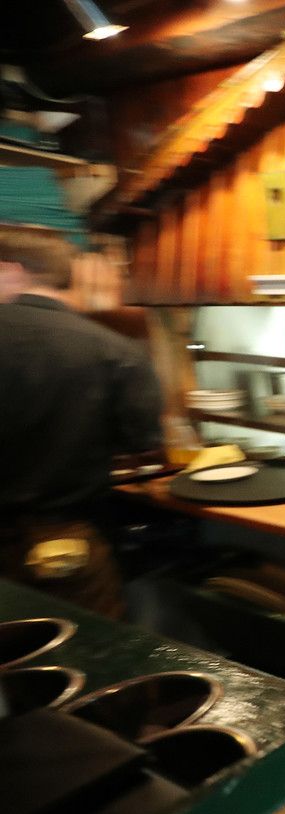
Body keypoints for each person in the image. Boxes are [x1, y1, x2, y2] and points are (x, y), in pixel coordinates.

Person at [0, 228, 163, 619]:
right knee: (90, 654)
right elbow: (142, 443)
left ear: (11, 271)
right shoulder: (115, 349)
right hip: (65, 540)